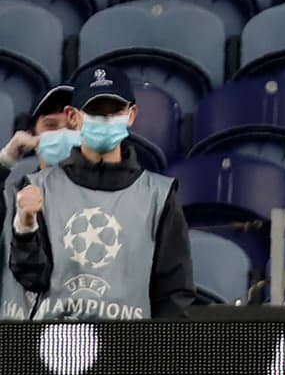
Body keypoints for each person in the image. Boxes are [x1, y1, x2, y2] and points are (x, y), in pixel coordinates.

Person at [9, 68, 193, 320]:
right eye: (95, 111)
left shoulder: (159, 196)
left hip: (131, 349)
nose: (105, 119)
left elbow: (173, 290)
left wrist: (160, 354)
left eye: (114, 111)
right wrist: (25, 228)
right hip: (59, 345)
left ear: (131, 115)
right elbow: (32, 278)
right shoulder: (38, 188)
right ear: (73, 117)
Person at [1, 85, 79, 319]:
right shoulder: (9, 197)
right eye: (51, 126)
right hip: (15, 337)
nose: (61, 135)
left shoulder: (112, 199)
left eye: (72, 127)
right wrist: (4, 162)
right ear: (31, 134)